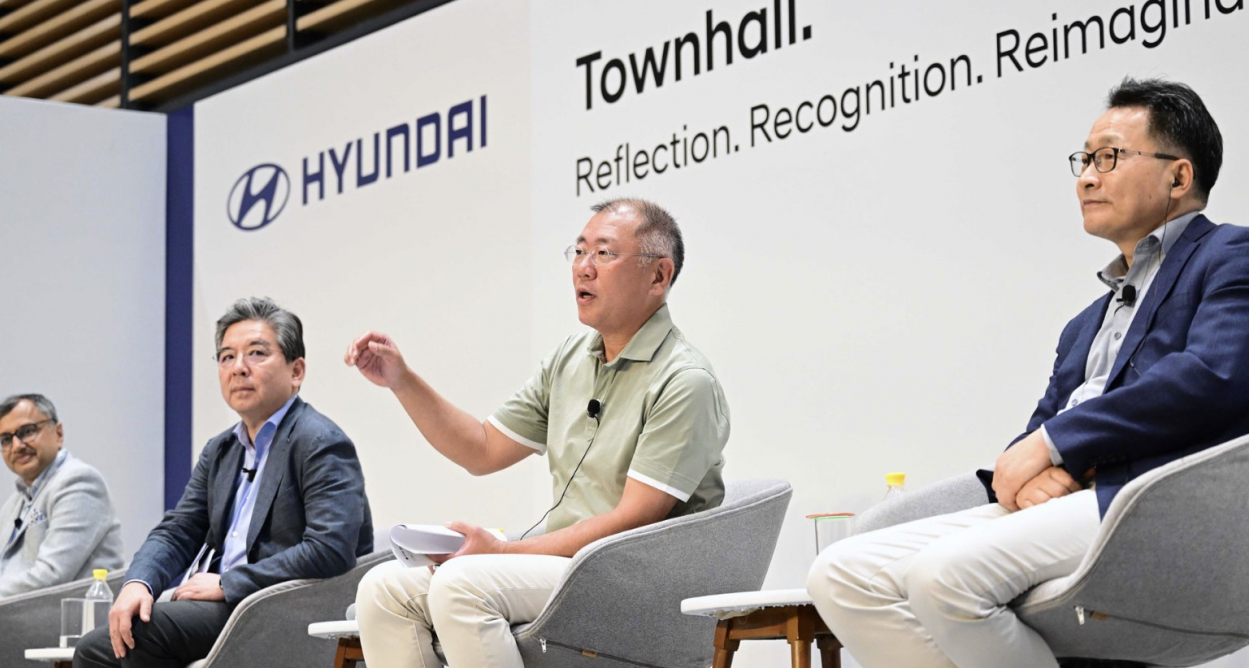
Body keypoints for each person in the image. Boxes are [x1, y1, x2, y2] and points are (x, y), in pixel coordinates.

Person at [807, 77, 1249, 668]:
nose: (1087, 177)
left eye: (1110, 157)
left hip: (1145, 498)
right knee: (841, 572)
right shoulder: (1084, 322)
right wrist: (1030, 469)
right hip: (1064, 499)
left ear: (1178, 176)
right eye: (1085, 160)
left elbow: (1212, 378)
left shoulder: (1229, 256)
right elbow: (1039, 426)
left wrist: (1056, 444)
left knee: (944, 577)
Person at [346, 197, 730, 668]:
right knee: (383, 589)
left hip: (636, 576)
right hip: (563, 567)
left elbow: (633, 519)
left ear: (658, 276)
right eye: (579, 251)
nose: (583, 269)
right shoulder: (570, 359)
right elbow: (481, 449)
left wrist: (503, 552)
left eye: (604, 254)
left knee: (461, 585)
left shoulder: (684, 380)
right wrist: (401, 380)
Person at [74, 297, 373, 667]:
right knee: (96, 650)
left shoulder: (319, 440)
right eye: (227, 357)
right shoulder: (222, 449)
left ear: (296, 371)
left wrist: (227, 583)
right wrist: (139, 583)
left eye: (256, 353)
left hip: (279, 607)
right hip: (225, 607)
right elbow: (177, 531)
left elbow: (331, 548)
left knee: (143, 634)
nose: (238, 368)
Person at [0, 394, 124, 610]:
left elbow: (50, 576)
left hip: (53, 619)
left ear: (58, 433)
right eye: (6, 439)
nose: (17, 445)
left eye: (28, 431)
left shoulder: (79, 482)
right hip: (1, 614)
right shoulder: (16, 501)